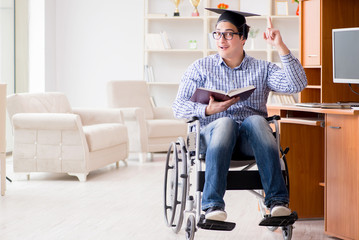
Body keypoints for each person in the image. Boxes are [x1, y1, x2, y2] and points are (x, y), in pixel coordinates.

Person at [172, 8, 307, 222]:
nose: (221, 39)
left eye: (228, 34)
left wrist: (280, 47)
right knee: (225, 122)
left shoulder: (262, 69)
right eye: (217, 33)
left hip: (250, 142)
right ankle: (213, 206)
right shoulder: (200, 68)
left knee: (255, 120)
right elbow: (178, 107)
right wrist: (208, 110)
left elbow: (297, 85)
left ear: (243, 37)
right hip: (211, 138)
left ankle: (277, 203)